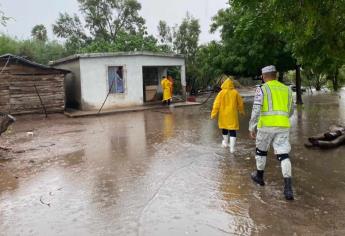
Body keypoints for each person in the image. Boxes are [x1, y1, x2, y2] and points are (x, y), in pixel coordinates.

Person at [249, 65, 294, 200]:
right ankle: (288, 189)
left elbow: (256, 110)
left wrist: (251, 127)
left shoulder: (261, 89)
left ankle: (259, 177)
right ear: (275, 75)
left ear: (263, 76)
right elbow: (291, 110)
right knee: (283, 155)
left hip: (266, 127)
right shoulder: (287, 89)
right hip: (283, 126)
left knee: (261, 151)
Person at [211, 76, 245, 153]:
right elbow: (240, 104)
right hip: (232, 115)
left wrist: (213, 114)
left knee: (224, 128)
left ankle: (225, 143)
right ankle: (232, 148)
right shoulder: (235, 92)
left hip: (223, 115)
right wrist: (242, 111)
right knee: (233, 130)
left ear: (223, 84)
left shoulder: (221, 93)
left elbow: (216, 104)